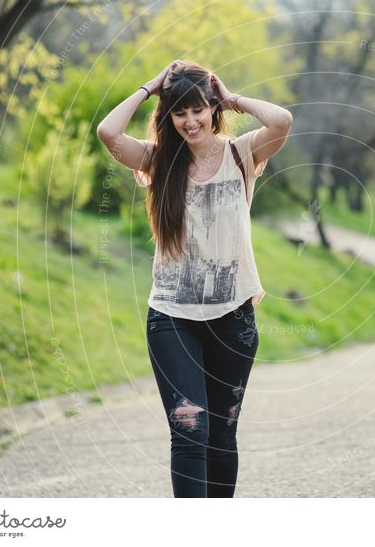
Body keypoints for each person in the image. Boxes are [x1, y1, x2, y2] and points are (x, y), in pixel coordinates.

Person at [96, 59, 293, 497]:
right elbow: (108, 133)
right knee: (189, 430)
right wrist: (150, 87)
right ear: (169, 117)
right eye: (179, 112)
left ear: (212, 109)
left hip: (233, 317)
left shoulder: (240, 154)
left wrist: (232, 97)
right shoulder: (156, 161)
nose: (190, 121)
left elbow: (282, 120)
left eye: (198, 109)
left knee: (222, 435)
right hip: (172, 316)